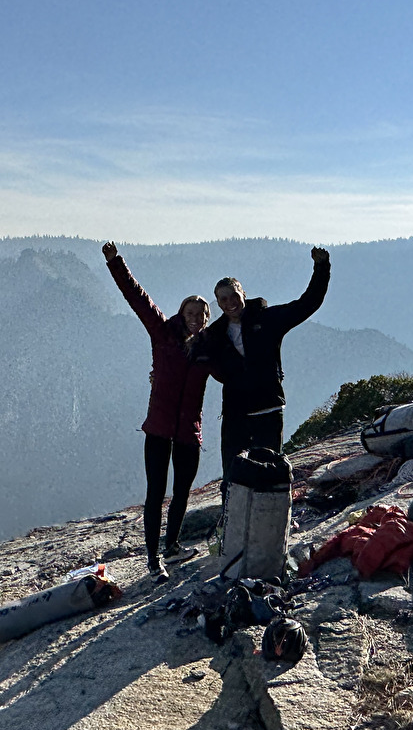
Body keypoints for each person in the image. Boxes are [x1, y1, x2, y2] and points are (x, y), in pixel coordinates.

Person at [103, 242, 212, 581]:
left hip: (189, 432)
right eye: (190, 313)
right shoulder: (162, 333)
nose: (194, 318)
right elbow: (137, 297)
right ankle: (153, 559)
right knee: (155, 493)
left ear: (207, 319)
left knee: (182, 492)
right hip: (159, 429)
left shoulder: (209, 349)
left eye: (201, 314)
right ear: (181, 314)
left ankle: (173, 546)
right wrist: (115, 262)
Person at [196, 246, 331, 498]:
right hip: (236, 415)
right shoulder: (215, 334)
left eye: (233, 296)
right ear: (217, 303)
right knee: (232, 475)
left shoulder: (268, 320)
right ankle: (230, 525)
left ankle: (269, 523)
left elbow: (308, 303)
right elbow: (192, 359)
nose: (230, 303)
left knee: (268, 474)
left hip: (268, 410)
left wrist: (321, 267)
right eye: (223, 299)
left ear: (243, 294)